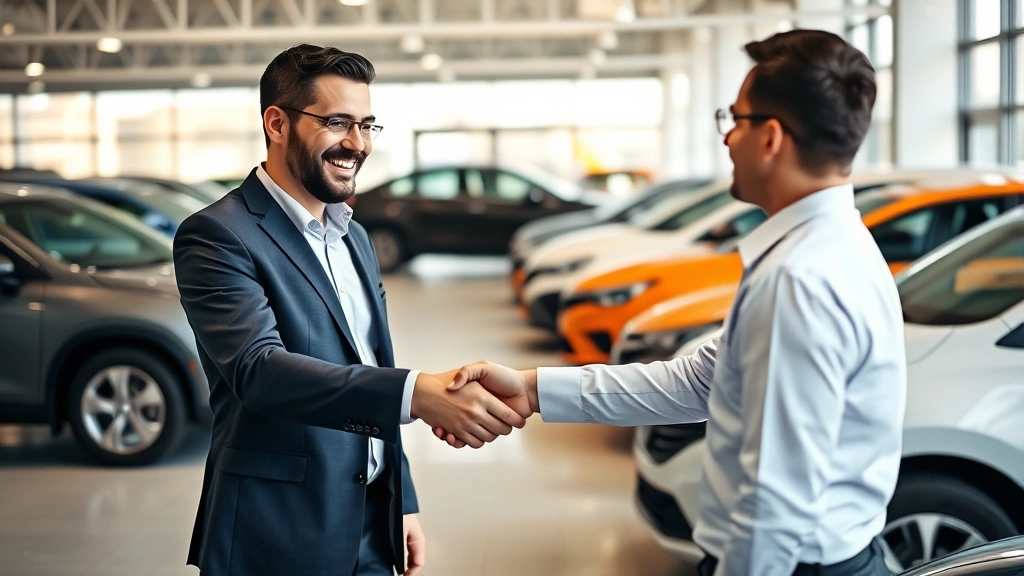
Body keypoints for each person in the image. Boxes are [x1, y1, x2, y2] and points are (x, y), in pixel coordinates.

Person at [439, 30, 904, 576]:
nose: (727, 138)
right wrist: (535, 388)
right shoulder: (831, 246)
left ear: (772, 138)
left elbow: (775, 504)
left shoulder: (799, 280)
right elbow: (697, 382)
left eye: (736, 120)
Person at [174, 44, 525, 576]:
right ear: (276, 123)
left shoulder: (355, 237)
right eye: (338, 122)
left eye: (367, 125)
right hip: (277, 532)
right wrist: (418, 395)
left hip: (371, 521)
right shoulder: (219, 235)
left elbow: (371, 366)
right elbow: (258, 371)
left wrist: (401, 496)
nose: (357, 144)